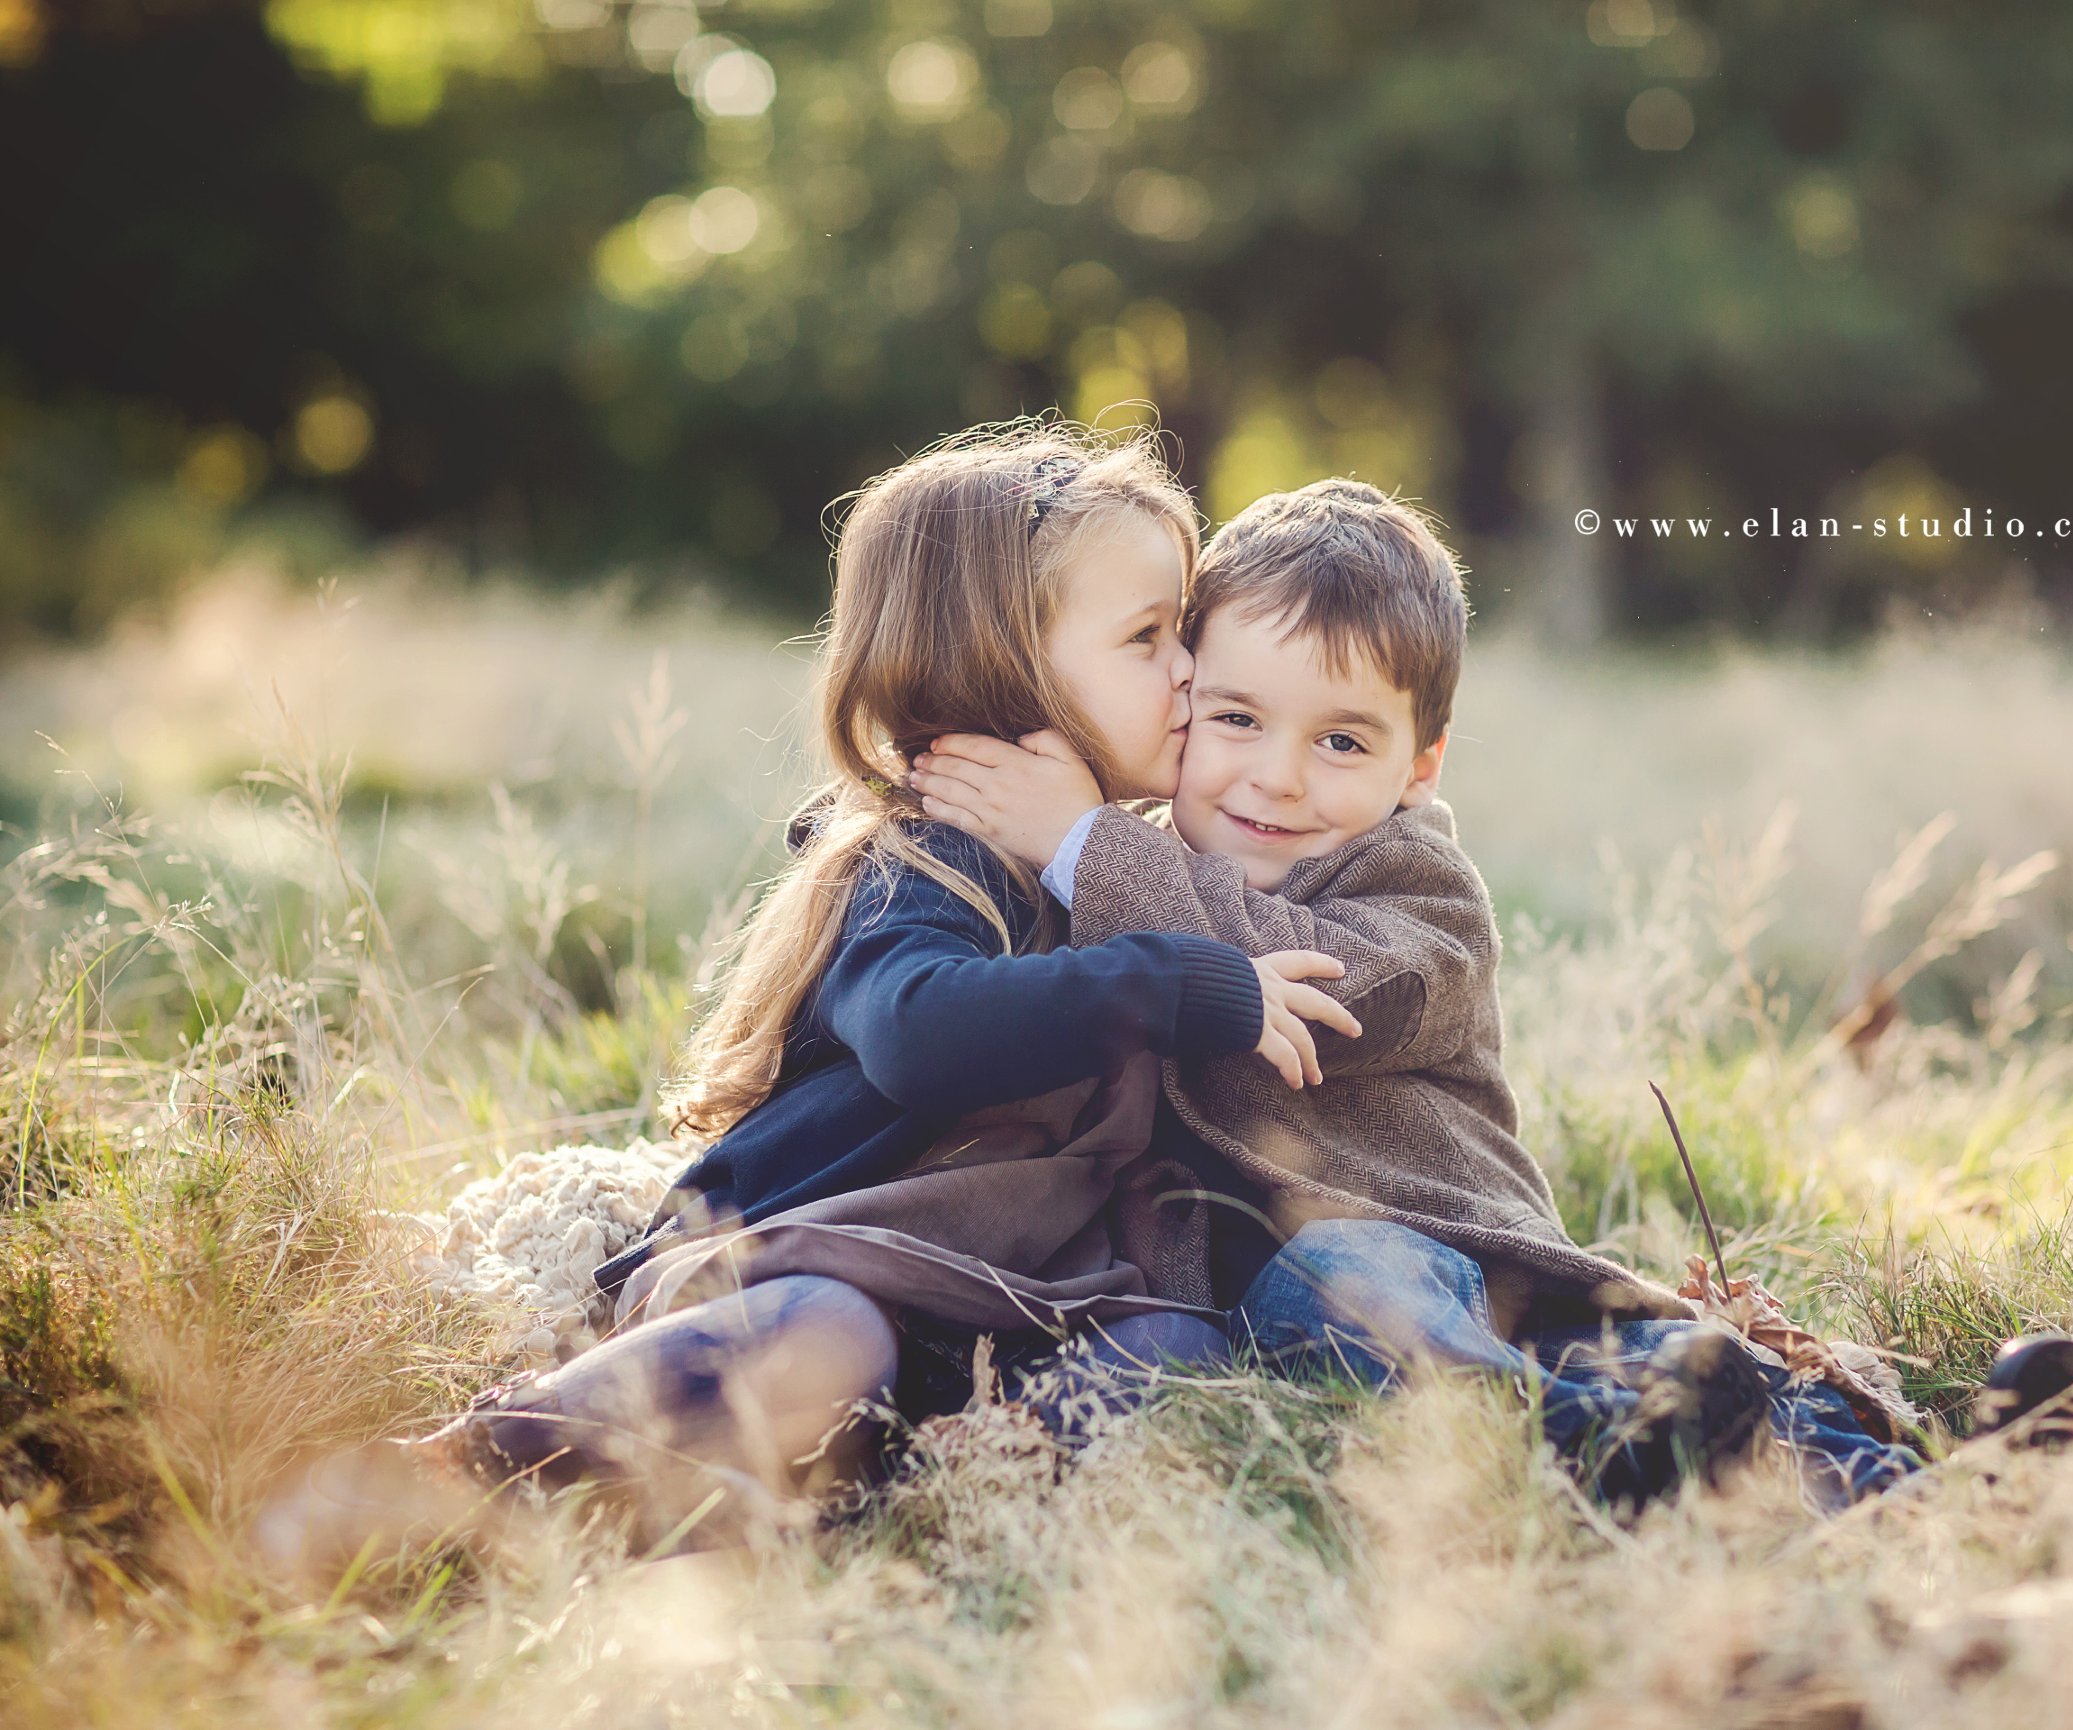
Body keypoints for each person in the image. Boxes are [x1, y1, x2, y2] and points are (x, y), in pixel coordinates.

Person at [258, 421, 1365, 1572]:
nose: (1190, 668)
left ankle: (922, 1501)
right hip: (795, 1265)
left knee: (1176, 1343)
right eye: (1148, 637)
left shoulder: (1107, 872)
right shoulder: (926, 863)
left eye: (1182, 631)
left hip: (986, 1309)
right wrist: (1179, 981)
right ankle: (470, 1468)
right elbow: (922, 1034)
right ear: (1004, 663)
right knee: (831, 1338)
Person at [905, 478, 1976, 1506]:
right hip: (1261, 1318)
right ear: (1182, 705)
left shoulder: (1420, 893)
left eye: (1341, 739)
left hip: (1445, 1259)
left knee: (1352, 1283)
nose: (1277, 776)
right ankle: (1718, 1440)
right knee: (1574, 1359)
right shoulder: (1140, 866)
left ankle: (1816, 1468)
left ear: (1422, 763)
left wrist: (1081, 842)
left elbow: (1307, 984)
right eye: (1236, 719)